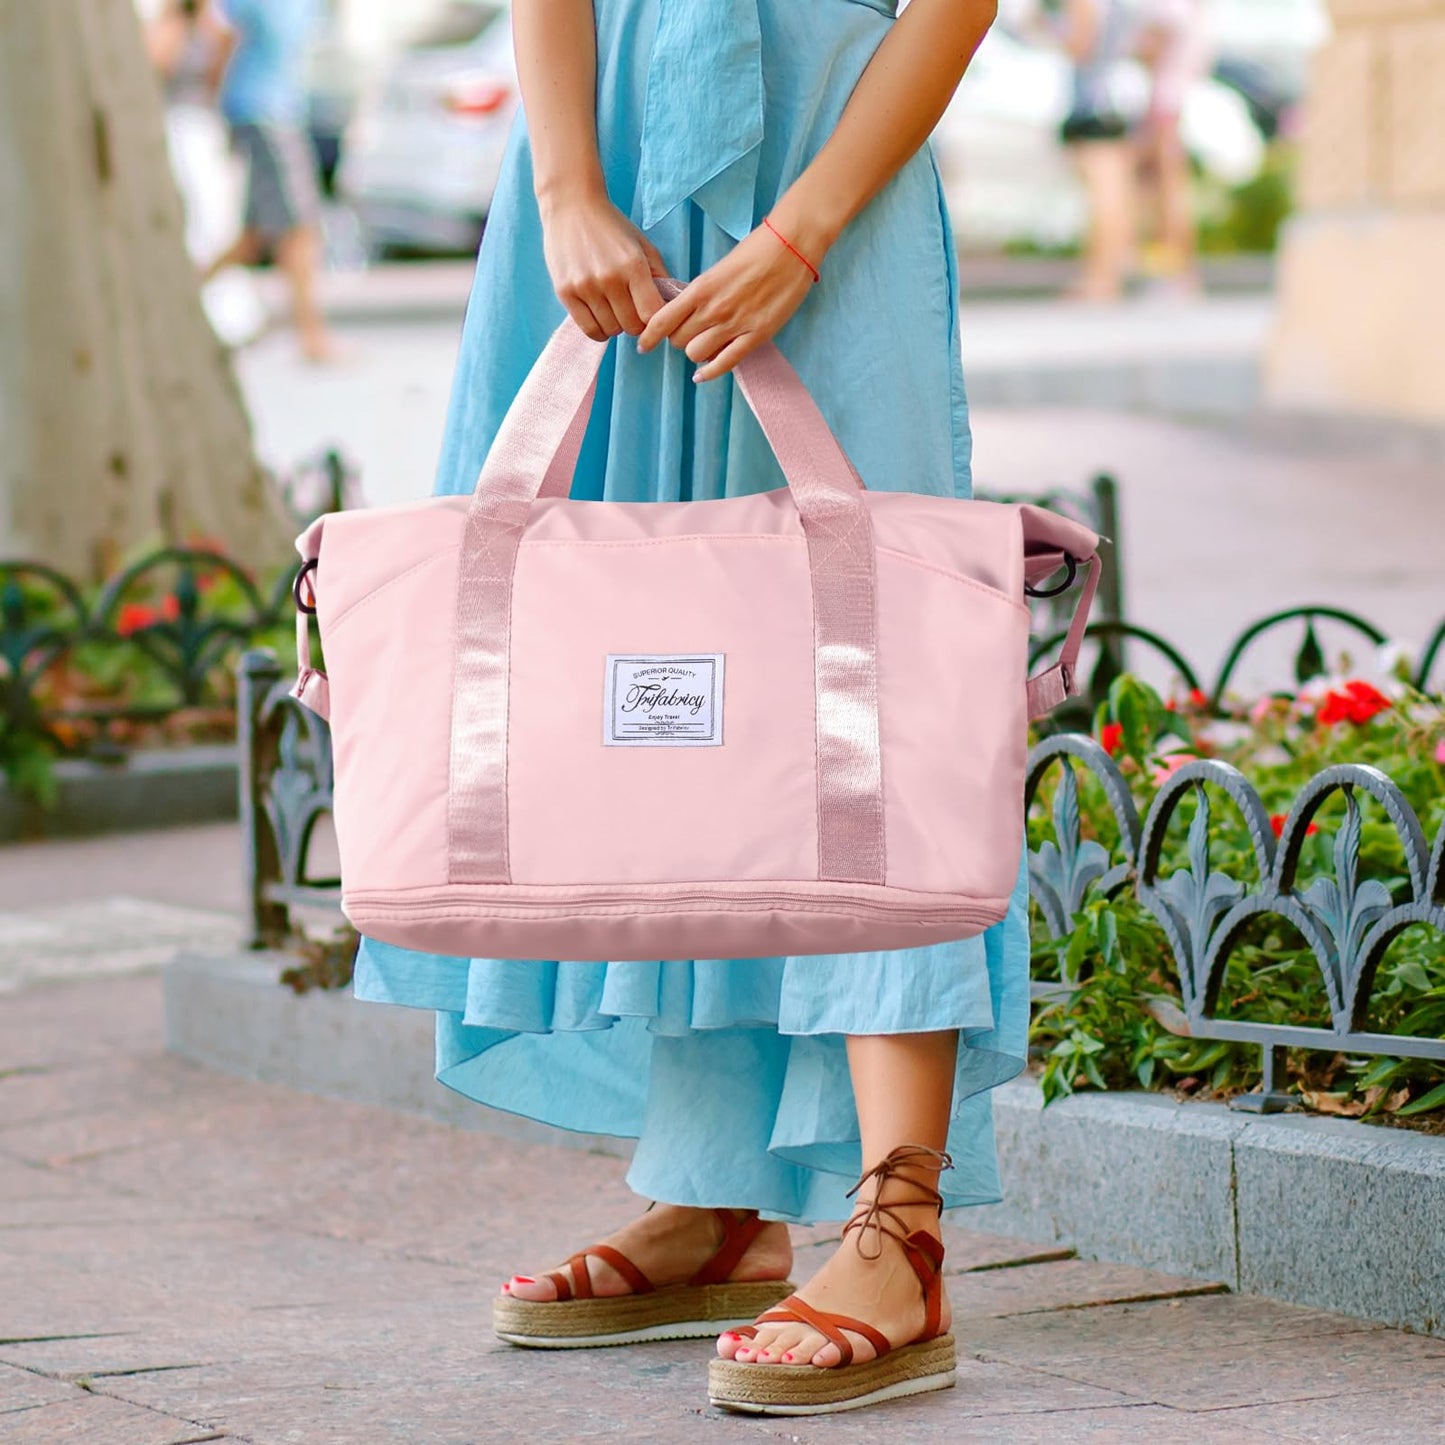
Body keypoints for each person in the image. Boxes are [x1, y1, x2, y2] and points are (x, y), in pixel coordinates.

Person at [353, 0, 1028, 1417]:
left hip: (829, 153)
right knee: (655, 694)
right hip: (599, 148)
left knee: (870, 680)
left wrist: (802, 232)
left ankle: (899, 1226)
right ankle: (714, 1190)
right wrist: (565, 186)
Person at [205, 0, 334, 361]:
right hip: (261, 113)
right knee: (300, 228)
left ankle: (174, 295)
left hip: (283, 112)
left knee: (254, 237)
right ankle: (312, 337)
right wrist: (214, 102)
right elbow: (225, 36)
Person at [146, 0, 268, 348]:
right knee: (201, 220)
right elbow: (158, 64)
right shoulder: (171, 23)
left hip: (206, 125)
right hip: (180, 128)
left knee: (220, 220)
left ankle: (227, 311)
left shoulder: (214, 22)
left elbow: (220, 71)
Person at [1049, 0, 1136, 300]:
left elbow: (1080, 45)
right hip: (1115, 95)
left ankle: (1099, 278)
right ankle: (1110, 275)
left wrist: (1045, 30)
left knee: (1102, 199)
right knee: (1115, 195)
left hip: (1093, 101)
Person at [1135, 0, 1210, 295]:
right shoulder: (1196, 11)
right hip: (1177, 96)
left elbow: (1152, 47)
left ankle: (1177, 272)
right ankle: (1177, 270)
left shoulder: (1170, 7)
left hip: (1164, 100)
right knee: (1169, 188)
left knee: (1168, 190)